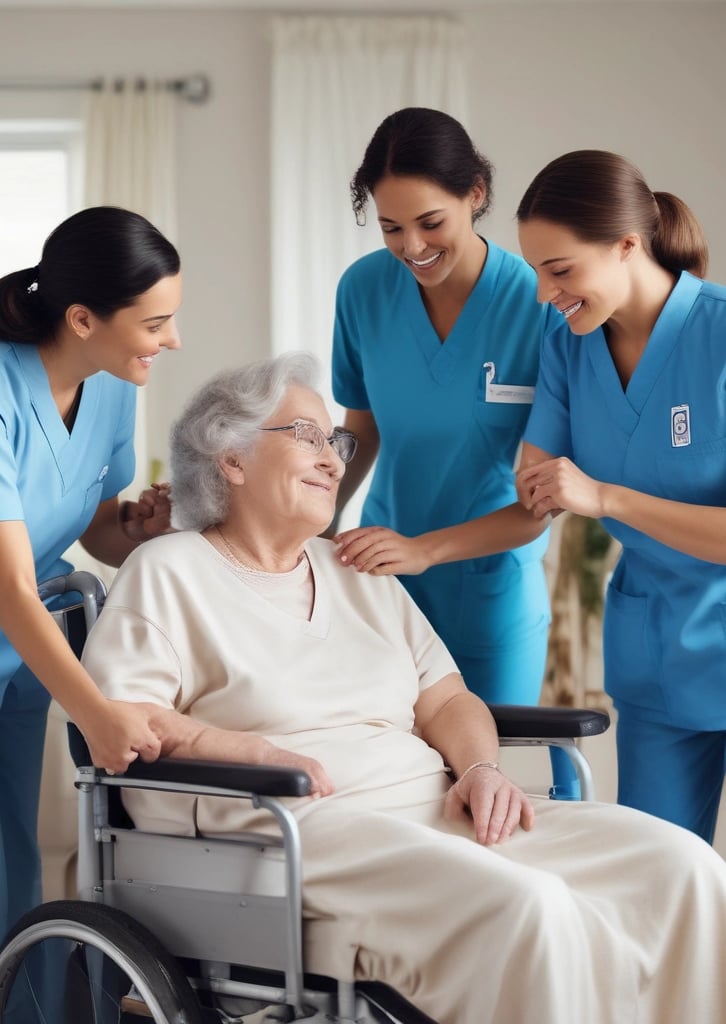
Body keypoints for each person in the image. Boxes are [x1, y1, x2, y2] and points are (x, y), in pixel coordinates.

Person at [81, 352, 726, 1024]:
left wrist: (479, 768)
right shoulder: (169, 570)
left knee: (681, 868)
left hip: (435, 807)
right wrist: (256, 755)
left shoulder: (355, 567)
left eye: (336, 441)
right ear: (230, 458)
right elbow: (121, 717)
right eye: (306, 437)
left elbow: (446, 697)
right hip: (296, 830)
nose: (334, 459)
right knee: (533, 907)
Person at [513, 149, 726, 844]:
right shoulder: (568, 346)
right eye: (539, 271)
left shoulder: (719, 334)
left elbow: (589, 493)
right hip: (659, 652)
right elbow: (538, 481)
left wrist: (608, 496)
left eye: (562, 269)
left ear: (627, 246)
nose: (546, 292)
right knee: (657, 878)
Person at [0, 205, 181, 940]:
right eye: (154, 323)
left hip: (25, 647)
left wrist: (142, 531)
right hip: (21, 613)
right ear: (82, 318)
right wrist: (94, 712)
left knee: (13, 851)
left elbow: (100, 527)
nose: (172, 339)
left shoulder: (112, 384)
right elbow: (7, 586)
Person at [330, 107, 550, 705]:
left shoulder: (539, 305)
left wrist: (423, 551)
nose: (412, 246)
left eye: (430, 222)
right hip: (385, 580)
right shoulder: (362, 291)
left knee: (492, 777)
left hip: (489, 585)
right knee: (397, 778)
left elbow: (542, 499)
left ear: (475, 194)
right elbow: (361, 428)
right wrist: (317, 519)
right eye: (391, 227)